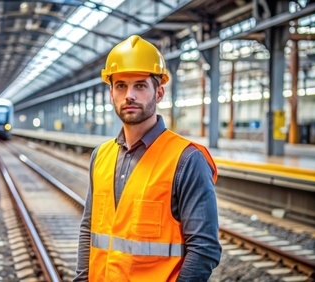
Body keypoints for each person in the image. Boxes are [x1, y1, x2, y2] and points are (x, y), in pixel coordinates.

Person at [74, 35, 222, 282]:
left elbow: (204, 249)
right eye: (121, 85)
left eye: (140, 85)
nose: (129, 95)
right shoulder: (100, 156)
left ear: (159, 92)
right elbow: (88, 230)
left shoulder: (186, 159)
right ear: (111, 93)